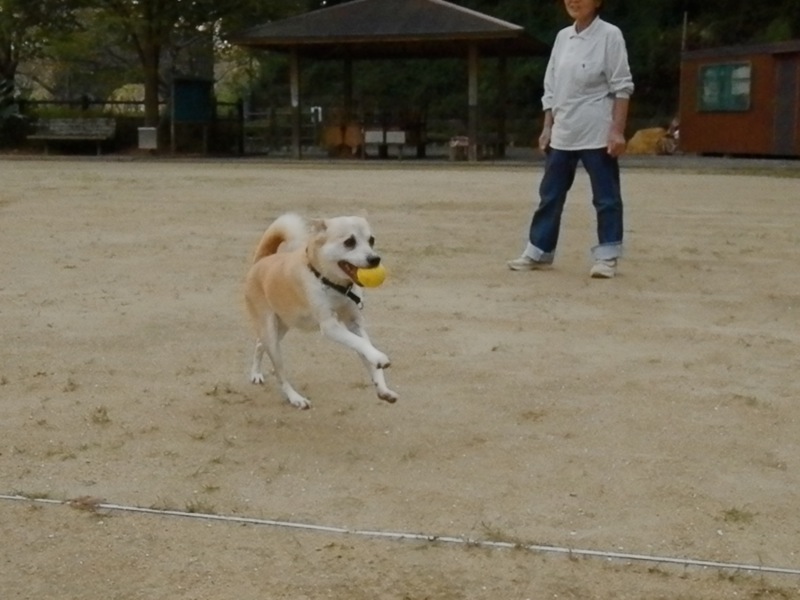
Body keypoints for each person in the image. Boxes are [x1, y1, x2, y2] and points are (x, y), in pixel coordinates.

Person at [507, 0, 634, 279]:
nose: (573, 1)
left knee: (606, 197)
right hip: (563, 131)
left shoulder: (610, 35)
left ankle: (607, 255)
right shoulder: (562, 37)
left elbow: (622, 86)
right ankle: (539, 249)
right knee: (550, 195)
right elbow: (551, 86)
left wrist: (617, 130)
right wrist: (547, 127)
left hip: (597, 131)